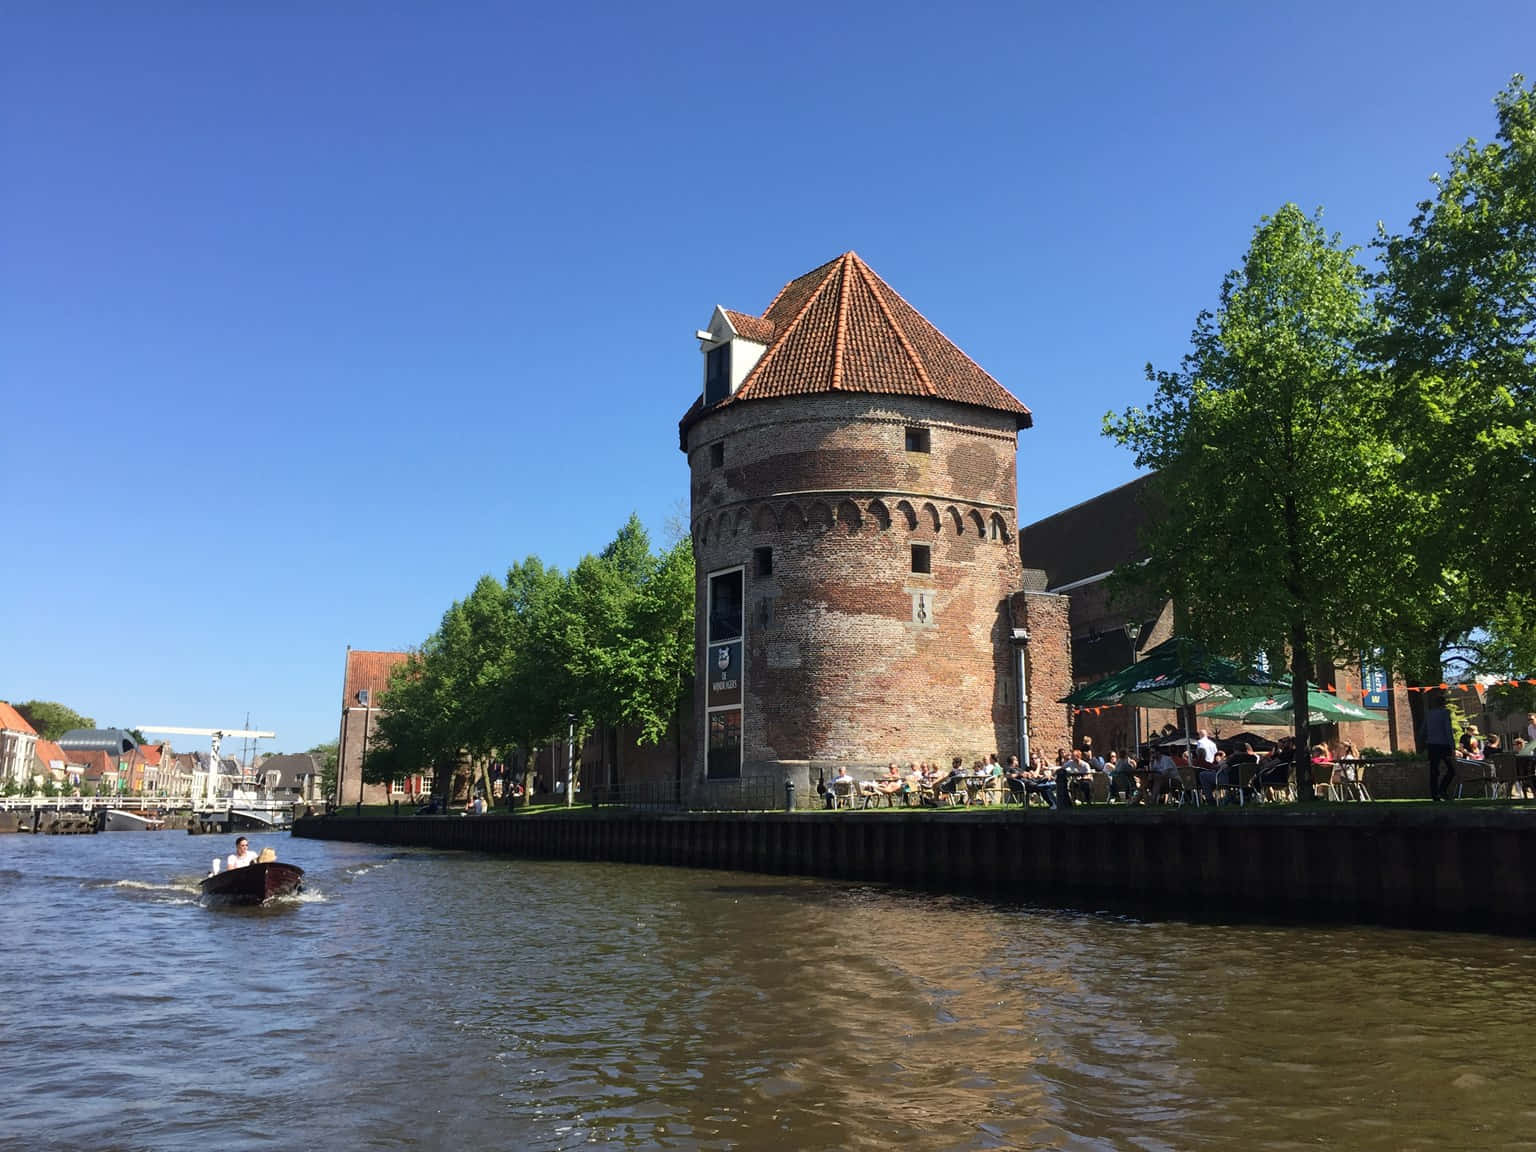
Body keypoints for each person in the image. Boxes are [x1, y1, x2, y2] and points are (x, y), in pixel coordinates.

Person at [1420, 691, 1456, 801]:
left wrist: (1423, 741)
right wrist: (1452, 746)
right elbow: (1448, 730)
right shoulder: (1445, 713)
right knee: (1451, 770)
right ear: (1444, 704)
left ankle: (1434, 794)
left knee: (1434, 770)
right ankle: (1442, 790)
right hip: (1444, 745)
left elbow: (1423, 730)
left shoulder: (1429, 714)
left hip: (1432, 745)